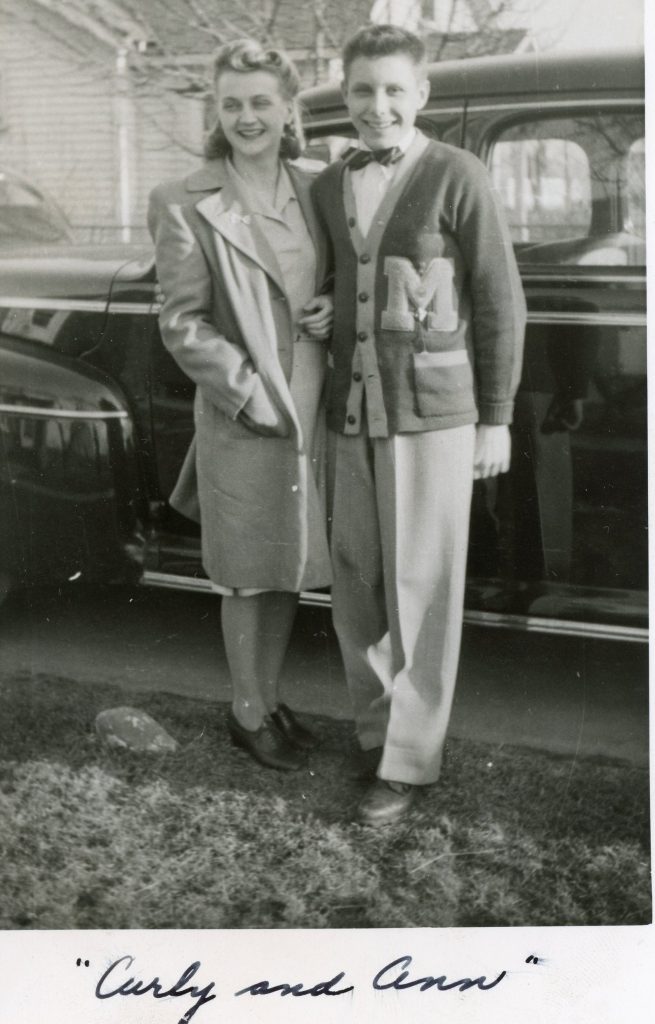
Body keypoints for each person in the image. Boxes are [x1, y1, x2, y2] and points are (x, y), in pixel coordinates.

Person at [312, 24, 526, 825]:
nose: (378, 106)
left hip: (433, 415)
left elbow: (499, 299)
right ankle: (374, 732)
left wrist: (497, 418)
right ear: (345, 95)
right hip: (351, 412)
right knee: (357, 581)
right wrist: (332, 303)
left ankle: (408, 760)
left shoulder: (455, 174)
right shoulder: (331, 184)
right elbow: (344, 279)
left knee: (422, 589)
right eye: (363, 90)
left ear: (421, 95)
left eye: (394, 89)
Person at [148, 39, 333, 772]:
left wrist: (330, 307)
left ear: (288, 108)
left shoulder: (322, 184)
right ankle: (246, 710)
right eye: (232, 104)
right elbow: (180, 320)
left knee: (287, 559)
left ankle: (271, 696)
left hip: (317, 399)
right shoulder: (185, 199)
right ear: (216, 113)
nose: (247, 117)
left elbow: (340, 277)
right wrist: (247, 390)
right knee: (247, 568)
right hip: (248, 406)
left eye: (261, 101)